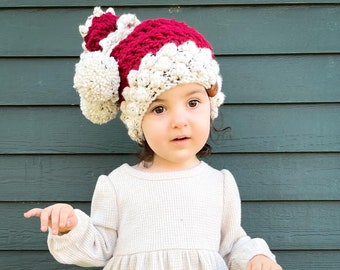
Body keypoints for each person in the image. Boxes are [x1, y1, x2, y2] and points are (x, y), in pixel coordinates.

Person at [24, 7, 282, 270]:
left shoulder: (220, 184)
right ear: (138, 121)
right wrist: (71, 227)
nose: (179, 120)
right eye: (159, 109)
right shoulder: (119, 184)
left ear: (210, 107)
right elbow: (99, 247)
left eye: (193, 102)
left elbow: (232, 245)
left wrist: (255, 257)